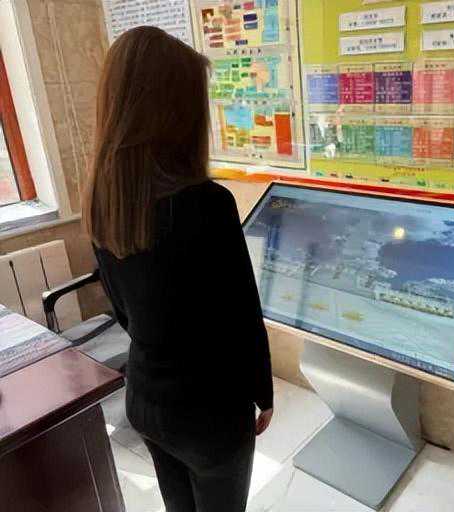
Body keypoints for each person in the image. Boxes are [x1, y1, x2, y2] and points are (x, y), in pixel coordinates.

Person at [82, 26, 273, 512]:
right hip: (210, 413)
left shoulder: (104, 201)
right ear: (175, 113)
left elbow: (124, 312)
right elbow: (242, 316)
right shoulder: (208, 204)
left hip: (146, 400)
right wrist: (264, 391)